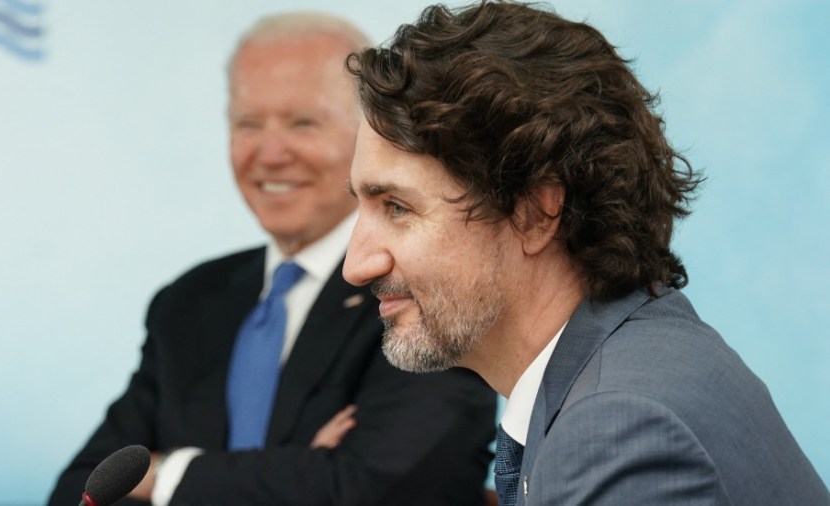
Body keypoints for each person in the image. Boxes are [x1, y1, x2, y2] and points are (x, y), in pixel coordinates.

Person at [342, 2, 829, 505]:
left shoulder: (617, 430)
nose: (355, 266)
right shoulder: (630, 369)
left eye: (397, 207)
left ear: (535, 212)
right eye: (361, 207)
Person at [48, 12, 496, 506]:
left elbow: (380, 489)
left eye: (303, 122)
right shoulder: (188, 302)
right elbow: (81, 490)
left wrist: (166, 473)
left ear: (374, 133)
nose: (270, 152)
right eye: (248, 123)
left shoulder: (423, 284)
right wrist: (298, 471)